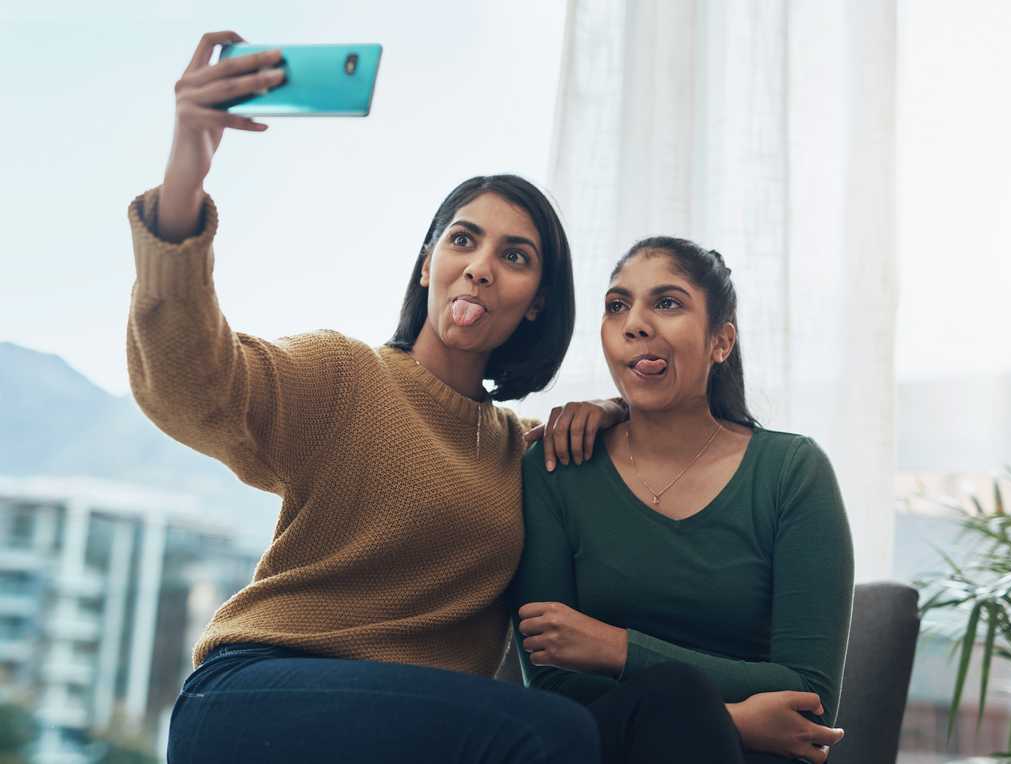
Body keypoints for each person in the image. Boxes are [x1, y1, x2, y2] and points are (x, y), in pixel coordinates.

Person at [133, 31, 622, 764]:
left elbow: (648, 465)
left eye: (514, 256)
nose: (480, 268)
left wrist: (614, 412)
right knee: (551, 733)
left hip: (406, 731)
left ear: (537, 303)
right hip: (252, 698)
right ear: (428, 266)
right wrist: (186, 173)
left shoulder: (518, 451)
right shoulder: (346, 377)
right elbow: (192, 382)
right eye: (463, 241)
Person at [510, 237, 855, 764]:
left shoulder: (792, 472)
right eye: (617, 305)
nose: (634, 323)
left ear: (721, 341)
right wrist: (734, 719)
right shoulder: (556, 468)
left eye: (667, 303)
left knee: (677, 691)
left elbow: (808, 694)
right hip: (607, 752)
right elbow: (552, 682)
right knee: (674, 693)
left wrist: (615, 648)